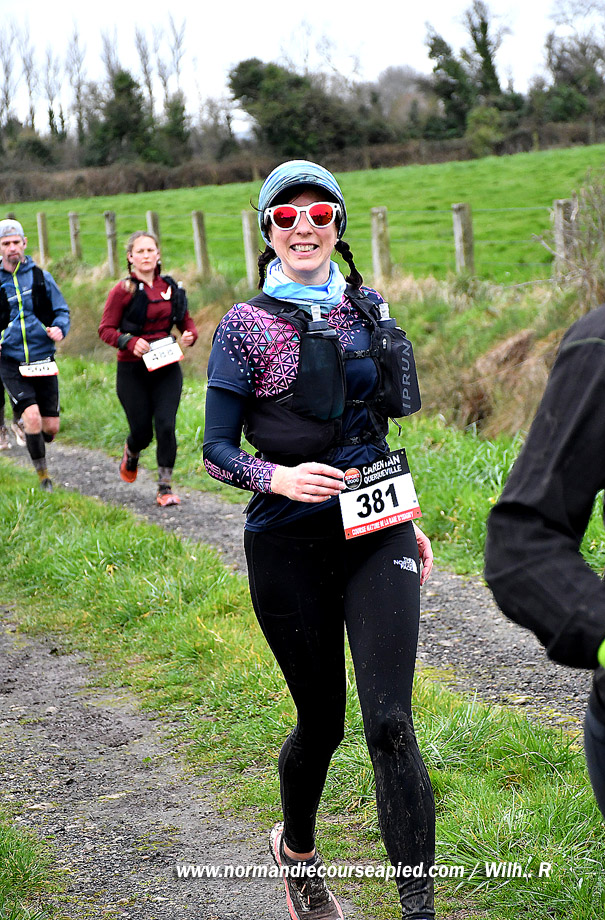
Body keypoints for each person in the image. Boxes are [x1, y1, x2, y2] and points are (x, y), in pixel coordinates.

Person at [203, 160, 436, 920]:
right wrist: (277, 477)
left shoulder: (368, 305)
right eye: (285, 216)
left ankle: (418, 909)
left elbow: (373, 428)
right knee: (324, 722)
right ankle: (297, 852)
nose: (303, 227)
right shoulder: (245, 324)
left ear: (338, 224)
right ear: (267, 230)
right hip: (288, 540)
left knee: (390, 723)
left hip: (374, 527)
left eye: (319, 214)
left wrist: (406, 517)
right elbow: (216, 449)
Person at [484, 298, 605, 839]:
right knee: (365, 721)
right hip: (298, 521)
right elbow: (521, 540)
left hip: (380, 515)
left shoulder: (370, 312)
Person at [98, 231, 198, 506]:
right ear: (130, 257)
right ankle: (132, 451)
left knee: (166, 425)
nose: (146, 256)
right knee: (142, 432)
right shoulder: (123, 291)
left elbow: (185, 321)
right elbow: (105, 329)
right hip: (132, 371)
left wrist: (190, 334)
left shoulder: (170, 287)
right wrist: (129, 341)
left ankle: (165, 487)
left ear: (158, 255)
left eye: (150, 250)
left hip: (166, 367)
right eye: (140, 251)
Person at [0, 219, 70, 490]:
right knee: (32, 417)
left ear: (25, 243)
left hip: (42, 358)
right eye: (6, 243)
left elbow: (62, 310)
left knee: (50, 428)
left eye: (16, 242)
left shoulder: (40, 276)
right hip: (10, 359)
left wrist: (60, 328)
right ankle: (44, 479)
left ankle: (26, 426)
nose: (12, 248)